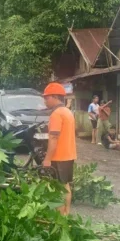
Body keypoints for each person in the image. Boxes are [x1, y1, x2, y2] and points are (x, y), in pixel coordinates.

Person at [42, 82, 77, 216]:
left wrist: (47, 159)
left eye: (47, 97)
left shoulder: (56, 114)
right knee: (65, 185)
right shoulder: (67, 112)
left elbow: (54, 139)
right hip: (69, 155)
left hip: (59, 157)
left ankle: (60, 216)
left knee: (58, 188)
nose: (45, 101)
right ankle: (66, 214)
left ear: (55, 97)